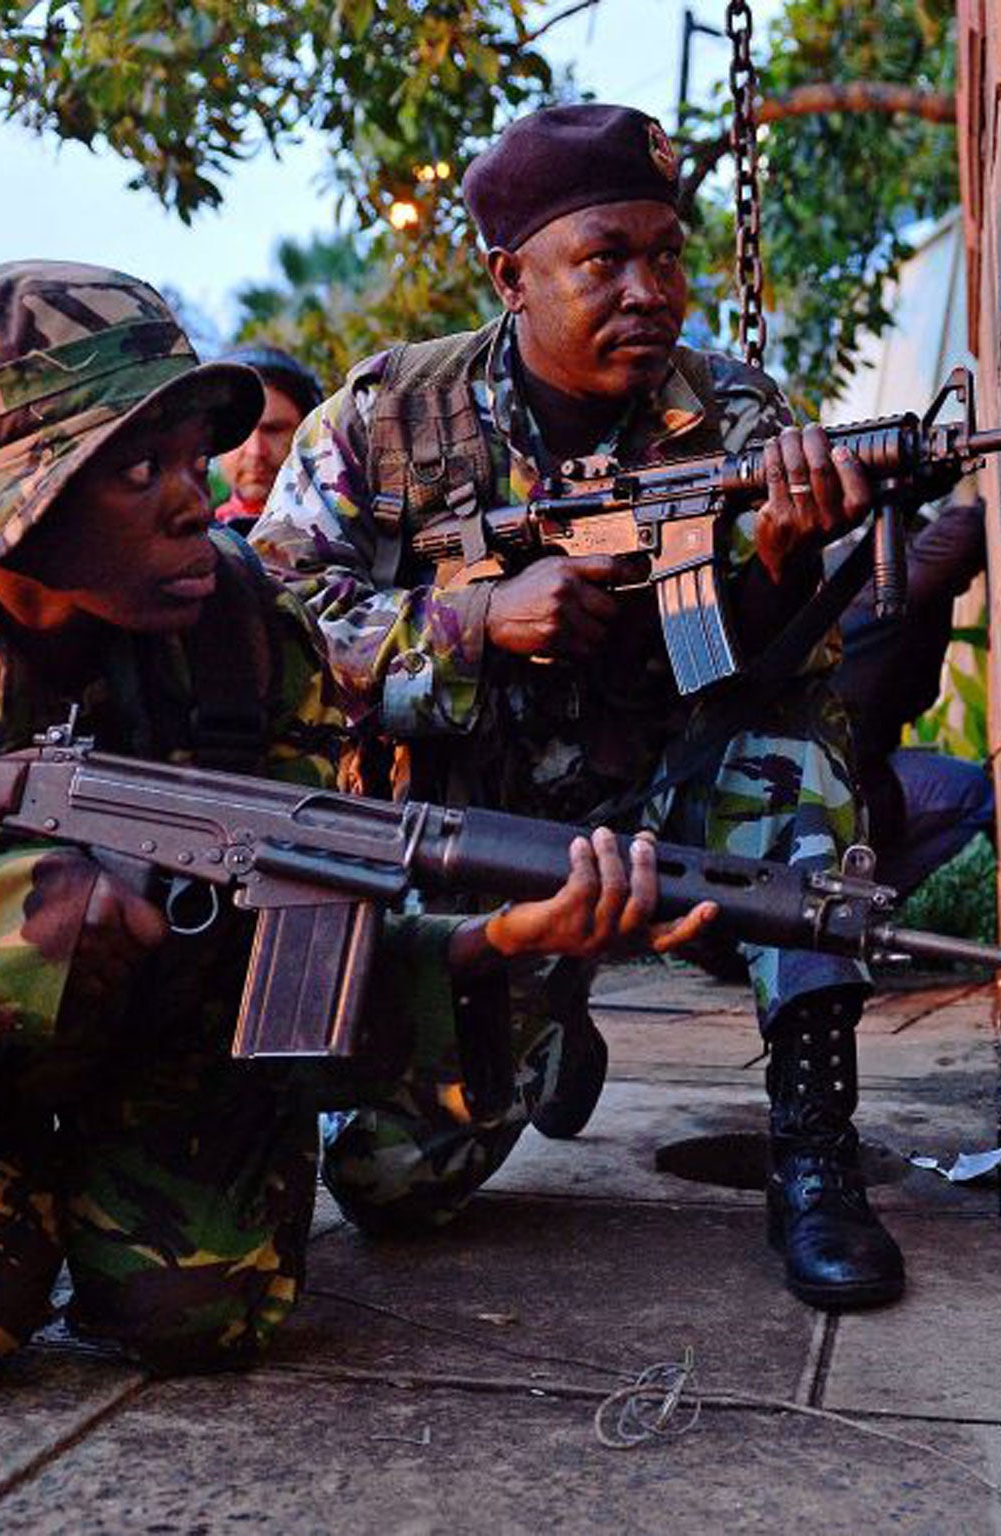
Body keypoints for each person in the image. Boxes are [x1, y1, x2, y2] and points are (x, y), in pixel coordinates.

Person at [0, 260, 709, 1393]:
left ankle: (64, 1169)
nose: (198, 500)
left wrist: (493, 946)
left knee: (203, 1313)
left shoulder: (248, 629)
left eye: (193, 457)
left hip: (154, 1017)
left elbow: (294, 945)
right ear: (10, 504)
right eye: (140, 469)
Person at [252, 104, 899, 1310]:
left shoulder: (736, 415)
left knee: (789, 765)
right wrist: (474, 624)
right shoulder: (386, 418)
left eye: (667, 254)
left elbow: (776, 675)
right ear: (511, 276)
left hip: (665, 786)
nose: (650, 292)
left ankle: (814, 1153)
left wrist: (774, 565)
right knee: (395, 1191)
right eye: (605, 259)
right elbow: (271, 623)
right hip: (480, 839)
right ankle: (549, 1023)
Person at [831, 499, 995, 896]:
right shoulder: (877, 587)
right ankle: (865, 909)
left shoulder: (833, 582)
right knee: (975, 791)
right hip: (847, 796)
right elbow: (966, 531)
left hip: (826, 786)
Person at [209, 346, 323, 532]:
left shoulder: (355, 532)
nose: (255, 451)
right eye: (239, 430)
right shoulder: (194, 540)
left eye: (274, 430)